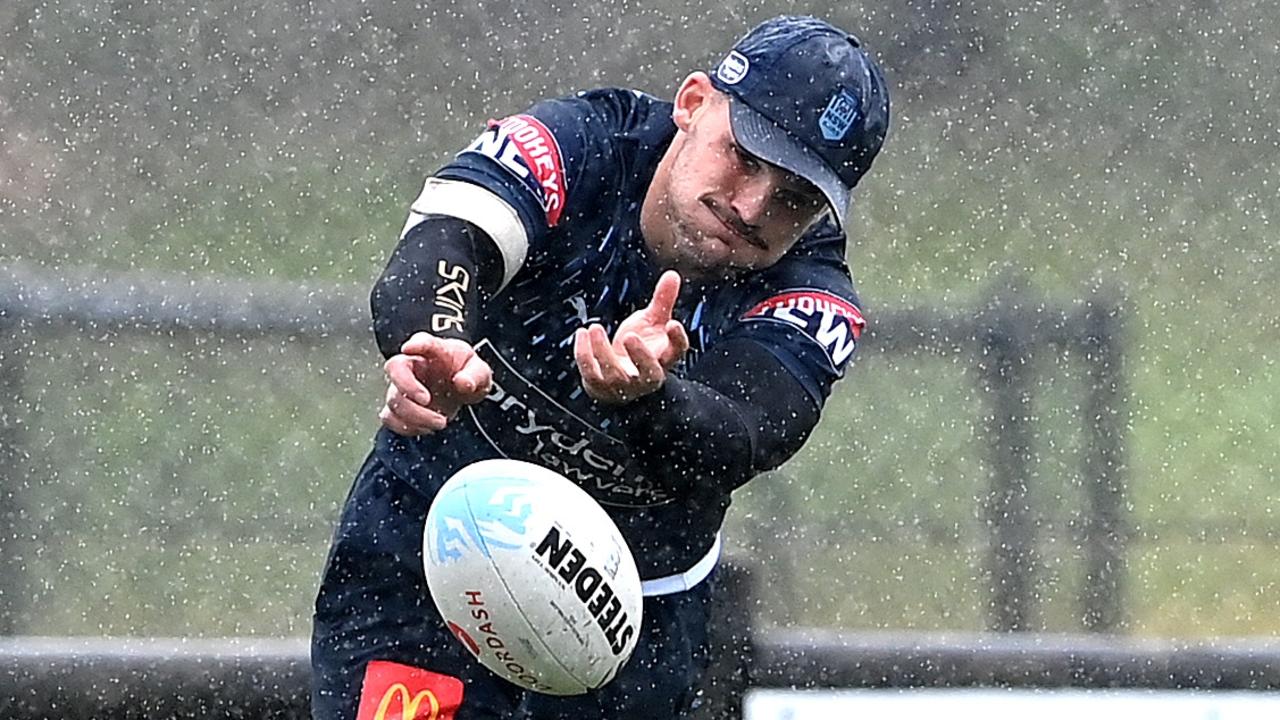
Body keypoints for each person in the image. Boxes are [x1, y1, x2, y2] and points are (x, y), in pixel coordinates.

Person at [311, 14, 890, 720]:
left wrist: (652, 401)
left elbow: (747, 430)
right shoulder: (579, 145)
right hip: (426, 557)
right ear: (693, 103)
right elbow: (446, 243)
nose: (751, 206)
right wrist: (434, 346)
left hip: (631, 623)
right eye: (743, 156)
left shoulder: (812, 296)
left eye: (794, 199)